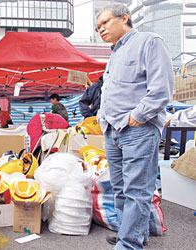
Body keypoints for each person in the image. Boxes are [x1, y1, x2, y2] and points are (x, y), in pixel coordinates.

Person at [96, 4, 173, 250]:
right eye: (98, 27)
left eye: (105, 23)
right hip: (112, 130)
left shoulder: (149, 42)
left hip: (137, 130)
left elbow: (161, 88)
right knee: (119, 190)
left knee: (136, 190)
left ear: (124, 18)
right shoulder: (114, 53)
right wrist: (102, 119)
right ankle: (132, 234)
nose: (101, 29)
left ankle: (129, 244)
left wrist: (138, 115)